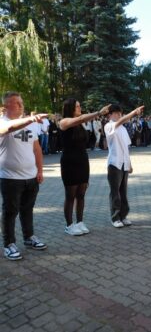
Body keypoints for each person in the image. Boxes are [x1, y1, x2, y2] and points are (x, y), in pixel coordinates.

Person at [0, 92, 48, 260]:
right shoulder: (2, 122)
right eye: (16, 103)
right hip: (10, 178)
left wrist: (40, 170)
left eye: (21, 103)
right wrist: (31, 119)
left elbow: (36, 149)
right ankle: (9, 244)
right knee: (10, 212)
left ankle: (29, 237)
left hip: (31, 177)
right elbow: (10, 128)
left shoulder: (31, 126)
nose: (21, 106)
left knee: (27, 210)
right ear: (6, 106)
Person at [59, 98, 110, 235]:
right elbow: (79, 119)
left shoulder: (81, 125)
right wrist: (98, 113)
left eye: (79, 106)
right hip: (69, 162)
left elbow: (81, 121)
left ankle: (80, 222)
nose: (79, 108)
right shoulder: (64, 122)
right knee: (70, 195)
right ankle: (69, 225)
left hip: (82, 160)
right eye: (77, 106)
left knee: (81, 194)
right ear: (70, 108)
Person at [105, 104, 144, 228]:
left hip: (124, 164)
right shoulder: (109, 126)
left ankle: (123, 215)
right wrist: (133, 112)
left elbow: (126, 148)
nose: (118, 115)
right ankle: (115, 217)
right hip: (114, 164)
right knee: (115, 192)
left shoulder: (123, 128)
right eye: (115, 113)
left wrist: (129, 163)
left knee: (123, 192)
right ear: (109, 115)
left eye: (120, 113)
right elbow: (121, 121)